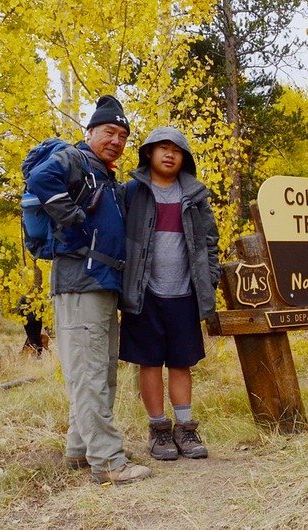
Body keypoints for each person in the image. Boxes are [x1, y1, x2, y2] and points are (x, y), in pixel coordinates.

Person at [26, 95, 152, 485]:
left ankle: (80, 450)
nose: (116, 140)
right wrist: (73, 216)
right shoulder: (75, 159)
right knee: (90, 373)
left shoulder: (105, 174)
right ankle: (108, 462)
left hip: (101, 284)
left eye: (122, 135)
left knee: (99, 370)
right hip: (80, 281)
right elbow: (40, 180)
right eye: (109, 132)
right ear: (91, 132)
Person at [119, 126, 220, 461]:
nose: (168, 154)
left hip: (184, 295)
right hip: (144, 294)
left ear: (184, 158)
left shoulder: (195, 195)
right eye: (161, 148)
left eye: (175, 150)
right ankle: (159, 430)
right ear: (148, 153)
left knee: (181, 363)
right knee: (149, 363)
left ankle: (186, 429)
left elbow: (209, 243)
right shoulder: (132, 192)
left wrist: (210, 279)